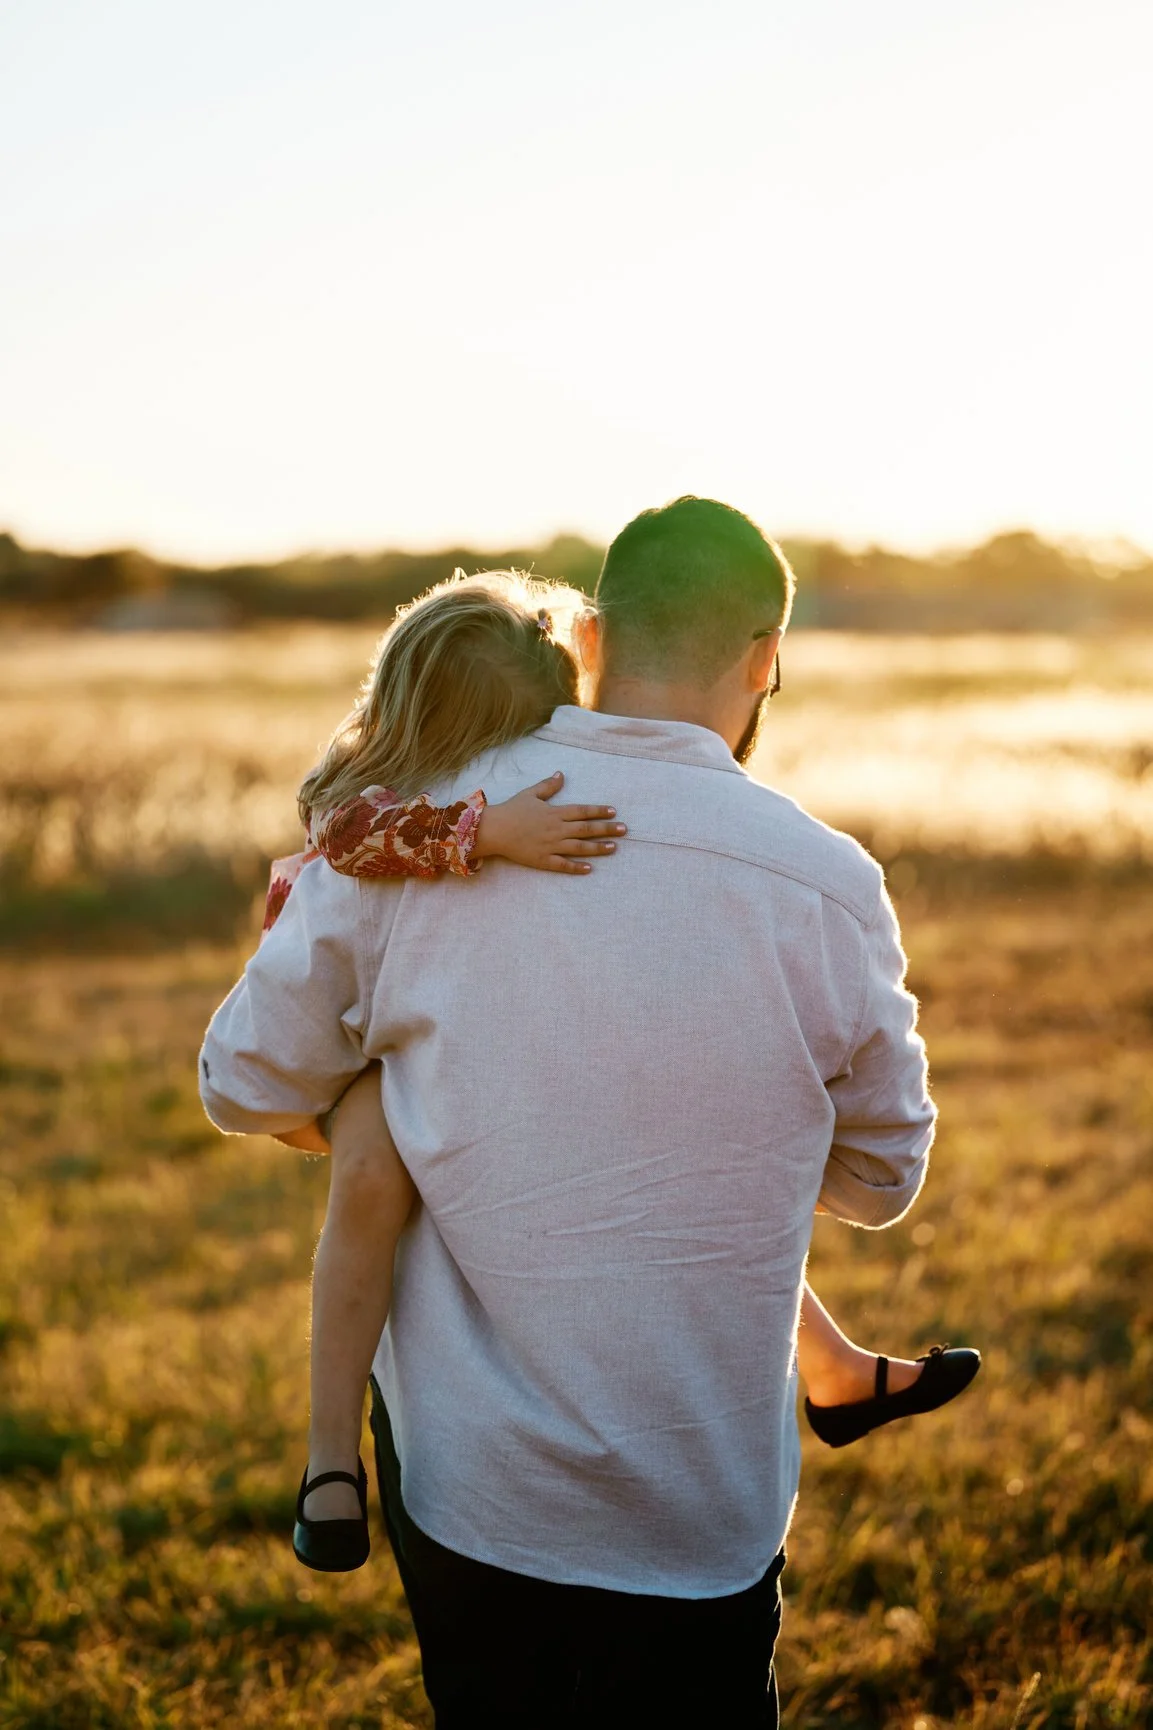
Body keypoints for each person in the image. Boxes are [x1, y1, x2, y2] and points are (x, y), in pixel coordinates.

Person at [200, 500, 973, 1727]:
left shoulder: (415, 832)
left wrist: (391, 1095)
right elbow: (884, 1184)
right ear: (766, 655)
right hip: (699, 1500)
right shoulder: (825, 880)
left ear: (598, 636)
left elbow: (242, 1083)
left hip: (471, 1483)